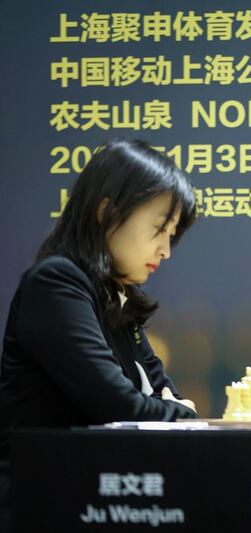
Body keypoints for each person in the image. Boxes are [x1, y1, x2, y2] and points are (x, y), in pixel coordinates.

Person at [0, 139, 199, 463]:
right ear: (106, 212)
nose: (165, 249)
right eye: (159, 229)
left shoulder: (119, 298)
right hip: (43, 499)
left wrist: (170, 408)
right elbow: (120, 405)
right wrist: (177, 411)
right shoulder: (56, 283)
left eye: (171, 234)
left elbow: (164, 396)